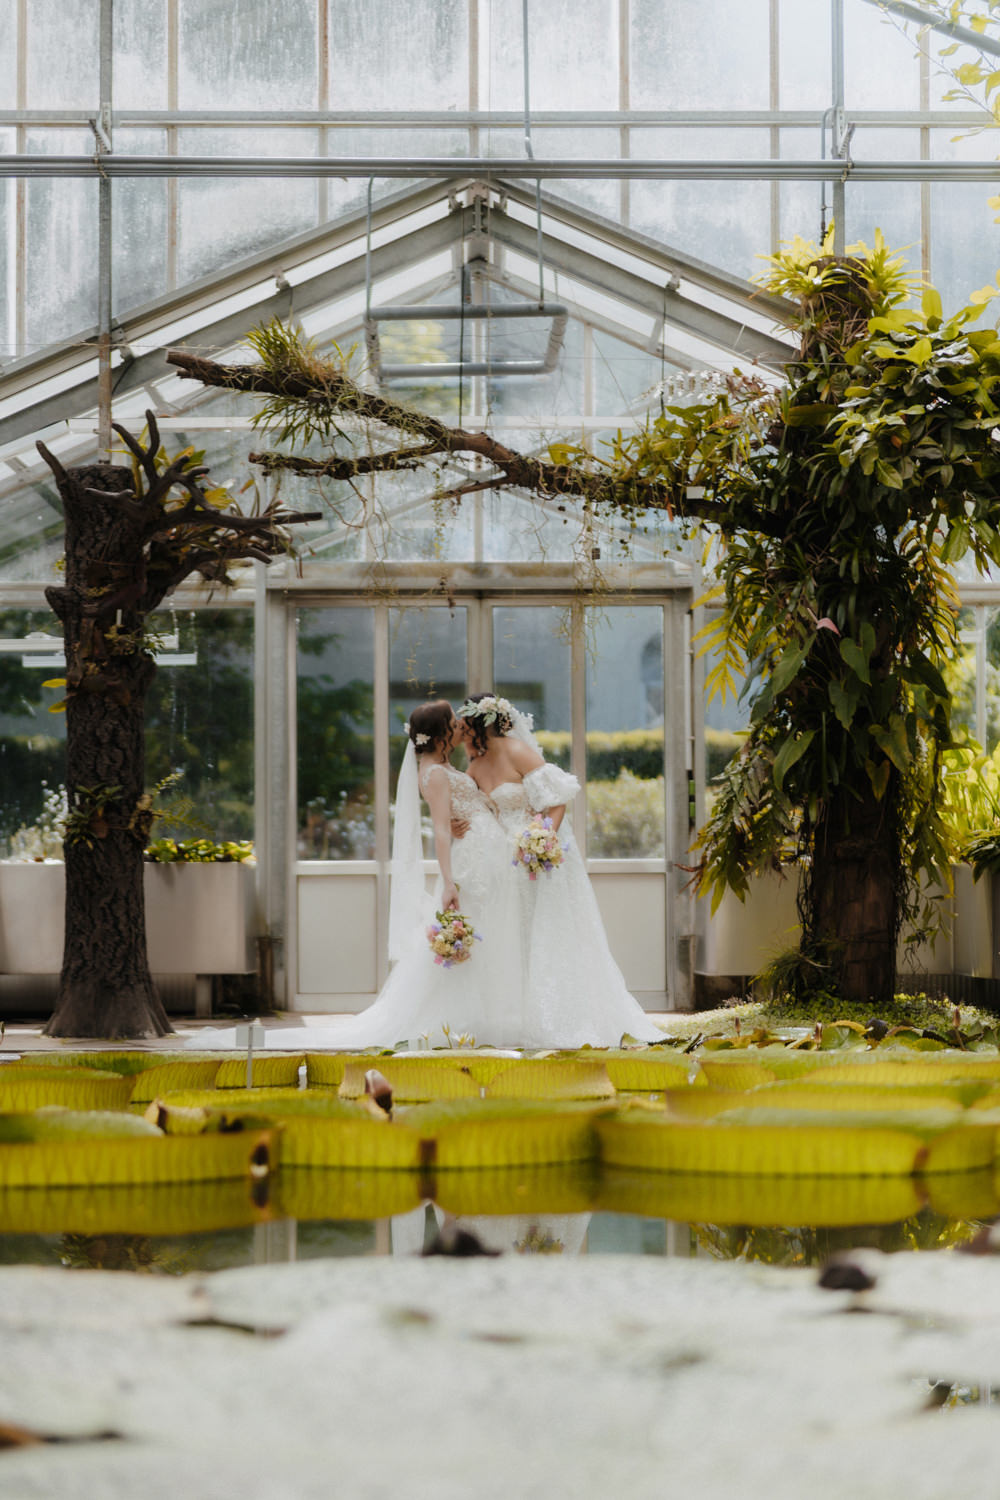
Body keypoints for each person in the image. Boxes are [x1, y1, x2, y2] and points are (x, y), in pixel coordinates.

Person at [189, 699, 525, 1050]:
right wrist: (449, 881)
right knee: (467, 938)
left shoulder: (440, 767)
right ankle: (452, 1020)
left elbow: (455, 815)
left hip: (480, 856)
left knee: (481, 934)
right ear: (441, 733)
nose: (459, 727)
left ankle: (478, 1017)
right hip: (468, 864)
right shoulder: (437, 773)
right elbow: (440, 830)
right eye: (454, 721)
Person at [457, 692, 665, 1048]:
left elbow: (556, 801)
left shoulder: (516, 750)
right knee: (515, 935)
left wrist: (541, 838)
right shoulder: (474, 767)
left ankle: (561, 1015)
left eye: (462, 725)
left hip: (535, 856)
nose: (458, 732)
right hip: (501, 865)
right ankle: (519, 1016)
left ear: (478, 723)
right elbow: (474, 813)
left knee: (547, 932)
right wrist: (455, 826)